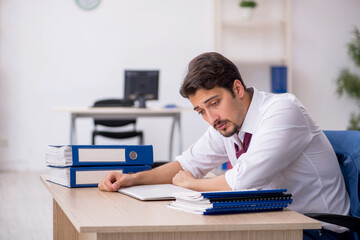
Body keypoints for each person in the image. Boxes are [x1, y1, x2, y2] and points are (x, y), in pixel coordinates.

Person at [98, 52, 350, 239]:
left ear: (237, 88)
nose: (211, 118)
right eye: (201, 111)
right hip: (273, 221)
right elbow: (187, 164)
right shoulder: (227, 124)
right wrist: (131, 179)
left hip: (318, 229)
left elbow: (242, 180)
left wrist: (191, 183)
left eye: (214, 103)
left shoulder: (283, 110)